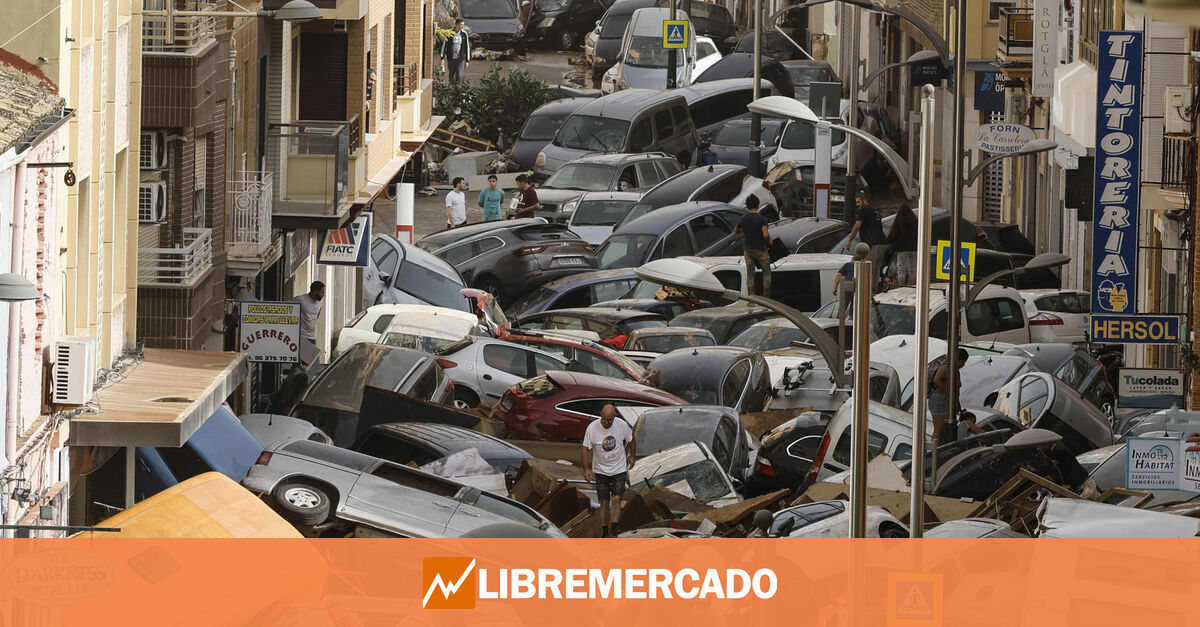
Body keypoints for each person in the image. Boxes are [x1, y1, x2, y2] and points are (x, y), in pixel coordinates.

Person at [582, 404, 636, 538]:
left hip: (619, 468)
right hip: (601, 470)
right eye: (604, 419)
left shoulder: (622, 425)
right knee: (604, 502)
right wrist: (587, 468)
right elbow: (585, 448)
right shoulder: (592, 428)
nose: (606, 423)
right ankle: (605, 530)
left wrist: (632, 456)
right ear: (601, 415)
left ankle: (615, 529)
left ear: (614, 418)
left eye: (609, 420)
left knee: (617, 499)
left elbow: (632, 439)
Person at [733, 195, 772, 297]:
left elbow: (735, 231)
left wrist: (745, 229)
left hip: (748, 250)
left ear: (747, 206)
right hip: (761, 250)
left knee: (750, 274)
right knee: (766, 273)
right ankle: (766, 297)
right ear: (758, 205)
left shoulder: (743, 219)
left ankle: (751, 299)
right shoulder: (762, 219)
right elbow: (766, 234)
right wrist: (769, 242)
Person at [843, 190, 886, 281]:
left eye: (859, 202)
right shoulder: (876, 211)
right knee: (876, 271)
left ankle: (869, 292)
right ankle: (874, 291)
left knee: (869, 271)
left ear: (865, 200)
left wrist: (850, 240)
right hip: (882, 243)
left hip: (873, 244)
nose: (857, 204)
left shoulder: (864, 210)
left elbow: (857, 226)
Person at [930, 348, 968, 445]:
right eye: (963, 362)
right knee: (939, 429)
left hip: (946, 399)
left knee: (943, 430)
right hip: (940, 399)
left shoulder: (953, 369)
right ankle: (935, 452)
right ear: (958, 360)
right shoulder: (946, 367)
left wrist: (957, 404)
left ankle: (940, 448)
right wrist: (949, 392)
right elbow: (936, 380)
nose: (963, 365)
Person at [887, 204, 919, 286]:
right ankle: (912, 285)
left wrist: (888, 242)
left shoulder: (899, 222)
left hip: (902, 249)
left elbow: (892, 235)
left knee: (901, 269)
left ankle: (901, 286)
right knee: (913, 269)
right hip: (914, 248)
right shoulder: (915, 222)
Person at [440, 19, 470, 83]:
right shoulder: (449, 33)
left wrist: (467, 60)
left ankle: (458, 90)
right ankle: (451, 90)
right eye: (461, 25)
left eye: (463, 25)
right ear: (456, 24)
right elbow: (444, 46)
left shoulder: (464, 34)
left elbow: (467, 47)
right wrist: (442, 58)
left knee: (459, 75)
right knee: (452, 76)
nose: (462, 26)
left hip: (461, 58)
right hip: (451, 58)